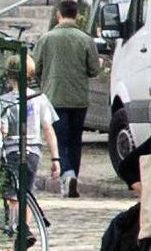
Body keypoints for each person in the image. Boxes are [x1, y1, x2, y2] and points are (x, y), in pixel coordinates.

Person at [34, 11, 106, 195]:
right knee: (75, 140)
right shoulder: (85, 39)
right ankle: (73, 176)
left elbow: (36, 67)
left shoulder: (46, 38)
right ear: (77, 16)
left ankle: (68, 173)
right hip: (79, 97)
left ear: (59, 15)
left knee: (59, 139)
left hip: (55, 96)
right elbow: (93, 70)